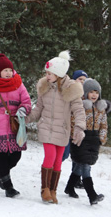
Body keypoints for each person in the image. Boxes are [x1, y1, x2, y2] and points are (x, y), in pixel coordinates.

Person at [26, 50, 86, 204]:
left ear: (59, 73)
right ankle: (44, 189)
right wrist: (26, 118)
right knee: (50, 156)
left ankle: (53, 190)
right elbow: (38, 109)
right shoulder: (44, 87)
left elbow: (79, 110)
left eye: (50, 73)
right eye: (46, 73)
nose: (47, 76)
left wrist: (79, 128)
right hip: (46, 127)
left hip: (62, 129)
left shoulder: (71, 89)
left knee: (59, 160)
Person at [0, 54, 31, 197]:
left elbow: (27, 101)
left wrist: (23, 109)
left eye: (10, 70)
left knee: (16, 155)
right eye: (5, 70)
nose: (9, 73)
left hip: (14, 124)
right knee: (3, 156)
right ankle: (8, 186)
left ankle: (2, 172)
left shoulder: (18, 84)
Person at [64, 78, 107, 205]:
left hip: (94, 140)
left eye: (96, 92)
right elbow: (72, 122)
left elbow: (104, 125)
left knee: (79, 165)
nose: (94, 95)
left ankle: (69, 187)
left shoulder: (101, 109)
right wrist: (75, 135)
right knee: (85, 166)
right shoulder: (80, 106)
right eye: (91, 92)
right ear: (85, 92)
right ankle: (92, 195)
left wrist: (101, 137)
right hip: (81, 138)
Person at [62, 69, 89, 188]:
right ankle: (51, 168)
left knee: (78, 157)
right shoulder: (70, 93)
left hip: (79, 132)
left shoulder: (87, 96)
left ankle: (76, 180)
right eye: (80, 79)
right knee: (64, 154)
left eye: (84, 80)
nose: (82, 82)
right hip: (67, 131)